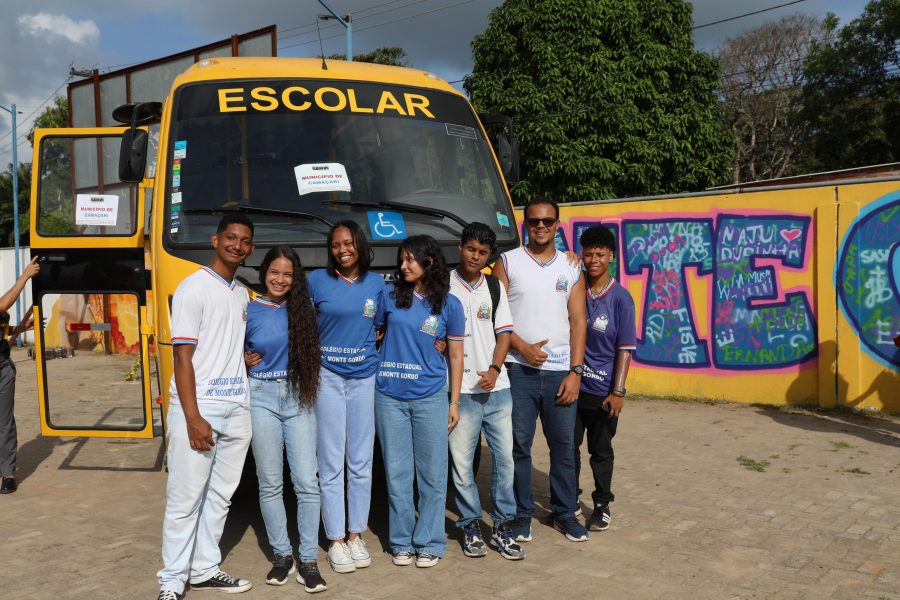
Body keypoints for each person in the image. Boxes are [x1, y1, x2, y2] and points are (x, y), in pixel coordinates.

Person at [156, 215, 255, 600]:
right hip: (200, 408)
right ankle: (170, 582)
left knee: (220, 496)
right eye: (231, 237)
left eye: (245, 241)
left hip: (237, 407)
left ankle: (203, 569)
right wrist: (193, 417)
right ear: (216, 240)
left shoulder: (241, 292)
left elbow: (224, 346)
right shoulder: (193, 288)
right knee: (185, 498)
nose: (237, 245)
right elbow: (183, 358)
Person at [493, 198, 589, 543]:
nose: (541, 226)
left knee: (563, 446)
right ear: (525, 224)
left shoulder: (570, 266)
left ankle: (564, 513)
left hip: (561, 373)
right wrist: (521, 347)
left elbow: (579, 321)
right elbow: (496, 316)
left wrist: (576, 372)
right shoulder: (506, 262)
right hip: (517, 371)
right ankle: (522, 514)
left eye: (548, 221)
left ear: (558, 224)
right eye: (534, 221)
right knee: (518, 445)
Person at [375, 235, 465, 568]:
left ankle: (430, 541)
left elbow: (456, 356)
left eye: (410, 260)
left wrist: (453, 402)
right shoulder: (389, 296)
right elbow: (374, 333)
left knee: (432, 474)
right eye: (401, 260)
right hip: (389, 397)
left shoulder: (450, 305)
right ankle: (400, 541)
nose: (403, 266)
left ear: (429, 262)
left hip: (430, 398)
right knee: (397, 474)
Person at [243, 246, 326, 593]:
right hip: (260, 395)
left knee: (307, 482)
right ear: (264, 273)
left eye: (288, 274)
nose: (280, 279)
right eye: (275, 272)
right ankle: (282, 556)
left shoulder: (304, 309)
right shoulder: (248, 309)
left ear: (296, 278)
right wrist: (240, 361)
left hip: (298, 396)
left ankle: (308, 560)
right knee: (270, 482)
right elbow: (223, 350)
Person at [307, 221, 385, 574]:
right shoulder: (317, 281)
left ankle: (356, 535)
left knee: (361, 460)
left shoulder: (377, 284)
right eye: (336, 244)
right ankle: (335, 539)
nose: (342, 249)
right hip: (328, 378)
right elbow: (305, 328)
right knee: (331, 459)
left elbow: (382, 328)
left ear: (360, 245)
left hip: (364, 379)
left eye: (349, 243)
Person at [447, 223, 525, 560]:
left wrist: (495, 369)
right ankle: (470, 525)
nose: (475, 256)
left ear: (489, 256)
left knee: (504, 460)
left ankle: (504, 526)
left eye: (482, 253)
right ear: (460, 246)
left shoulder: (494, 287)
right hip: (460, 392)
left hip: (498, 390)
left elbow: (504, 333)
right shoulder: (443, 285)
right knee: (462, 465)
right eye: (470, 249)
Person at [576, 226, 636, 532]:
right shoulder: (576, 288)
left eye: (600, 253)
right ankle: (568, 500)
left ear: (611, 256)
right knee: (565, 447)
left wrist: (618, 391)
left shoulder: (621, 299)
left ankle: (601, 505)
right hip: (573, 386)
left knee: (600, 451)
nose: (594, 259)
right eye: (588, 253)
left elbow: (625, 348)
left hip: (602, 392)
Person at [0, 256, 40, 495]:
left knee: (4, 423)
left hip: (2, 367)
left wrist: (21, 328)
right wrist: (24, 277)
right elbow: (2, 306)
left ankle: (7, 473)